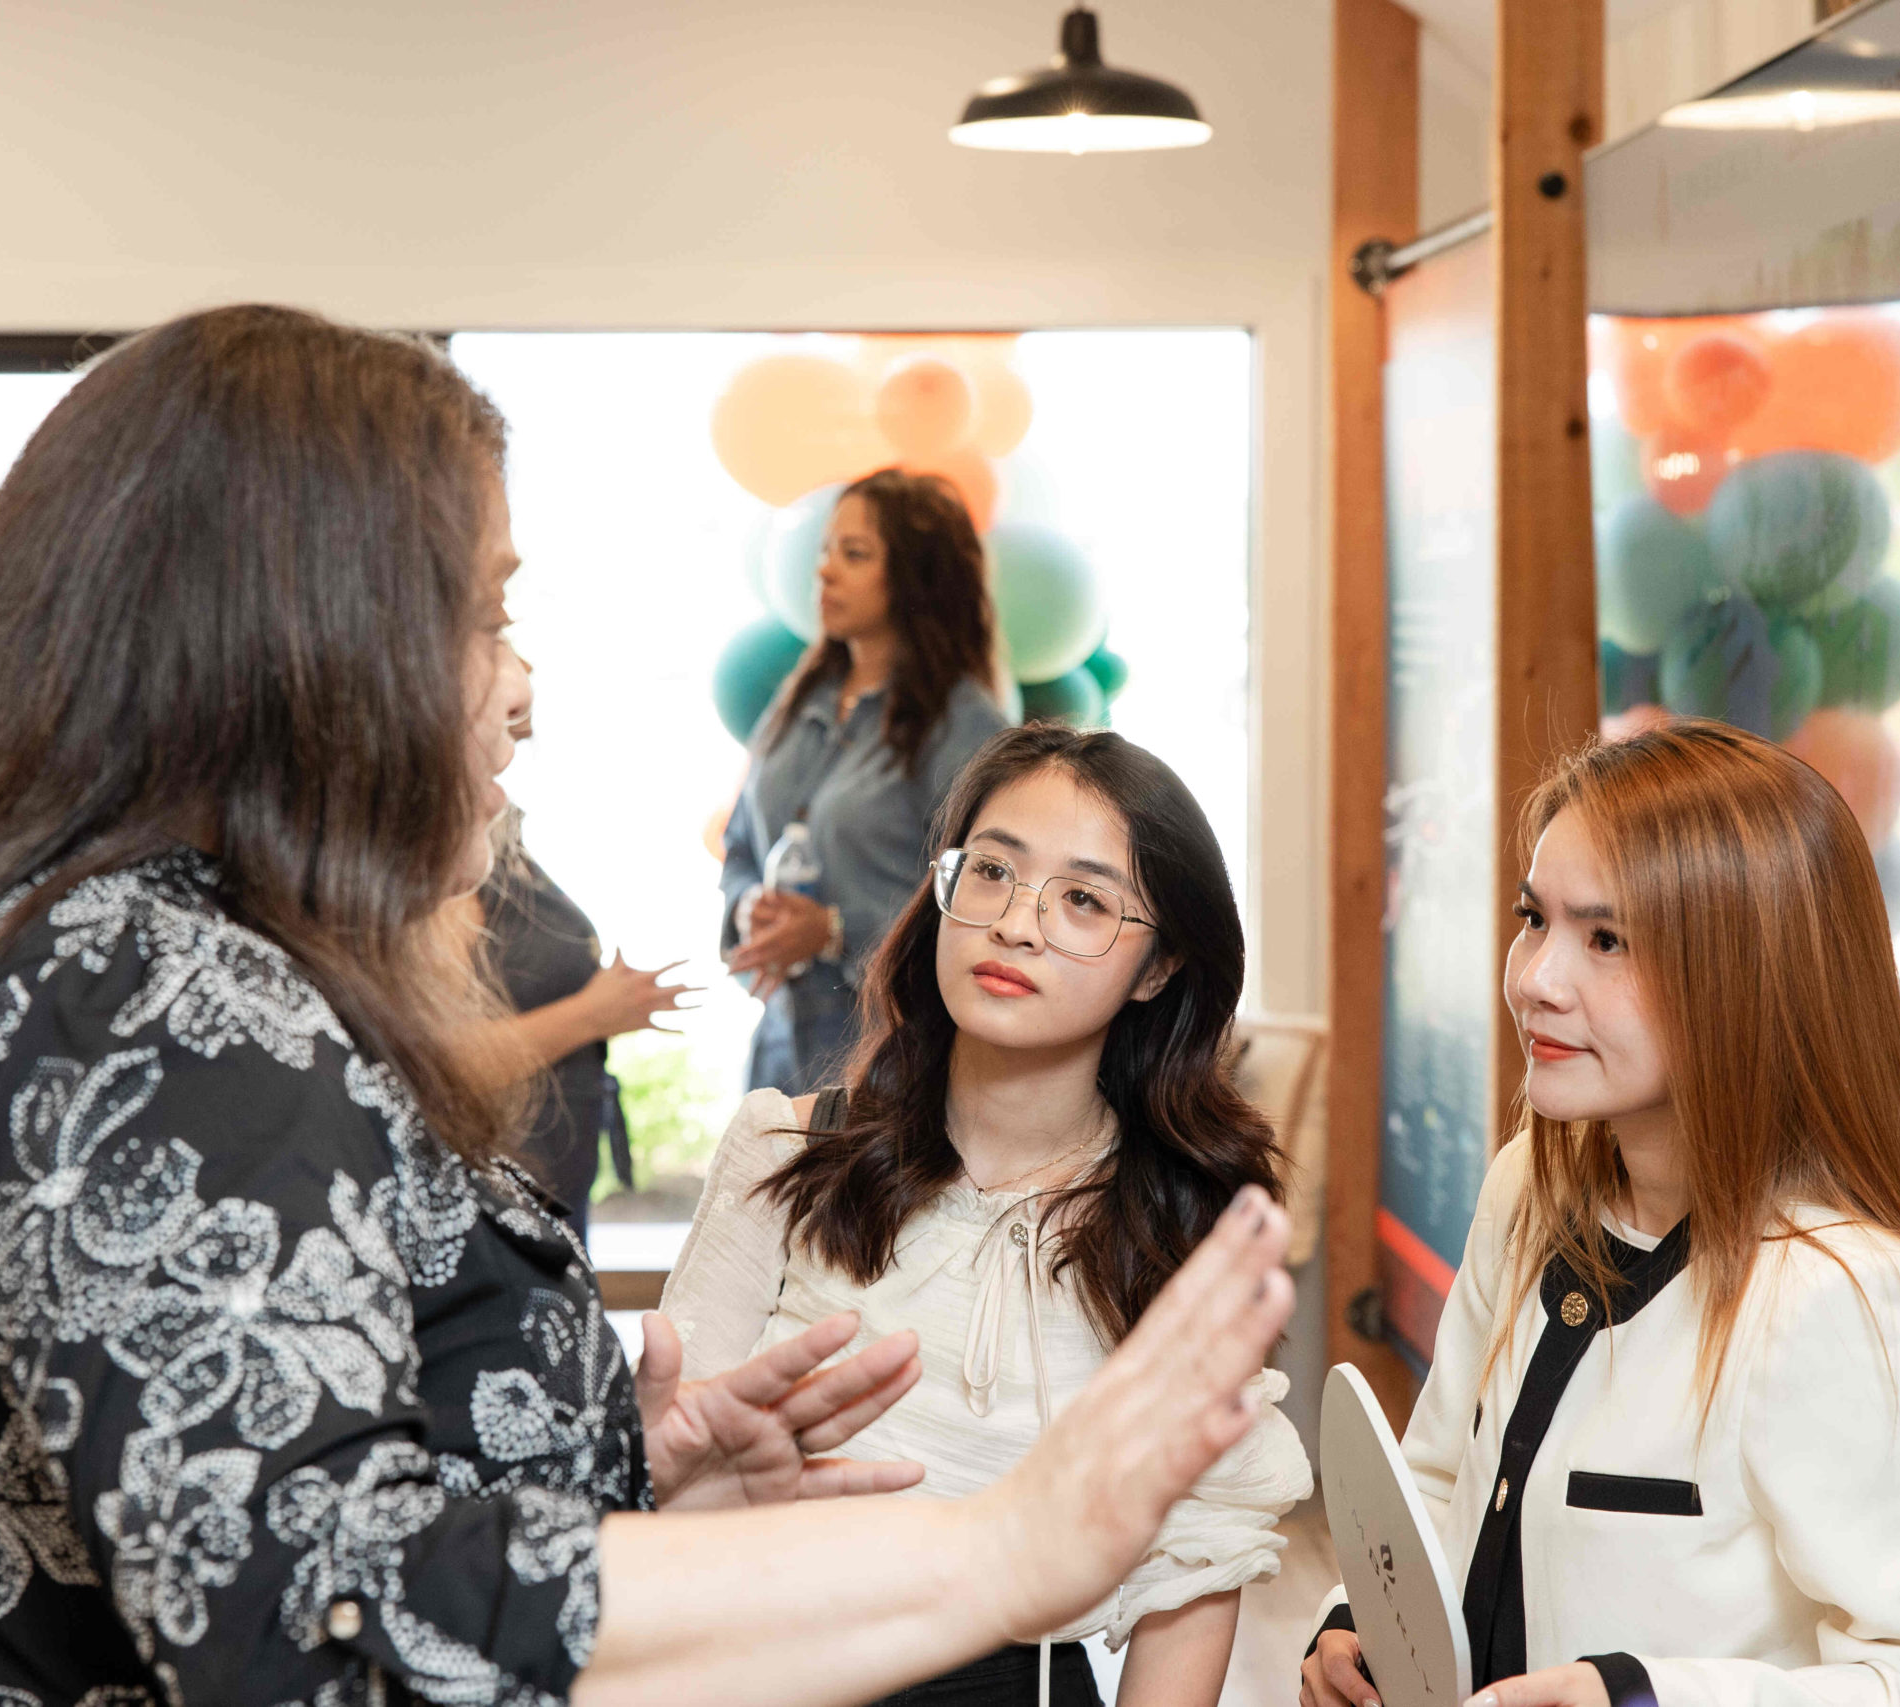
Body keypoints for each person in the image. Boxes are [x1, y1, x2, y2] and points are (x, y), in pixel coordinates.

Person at [0, 305, 1302, 1707]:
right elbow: (315, 1614)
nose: (524, 683)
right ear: (306, 643)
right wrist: (993, 1553)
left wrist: (634, 1462)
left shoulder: (162, 970)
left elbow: (328, 1446)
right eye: (487, 613)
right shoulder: (145, 1008)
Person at [1300, 720, 1900, 1707]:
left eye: (1605, 939)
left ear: (1746, 977)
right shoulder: (1528, 1189)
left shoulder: (1845, 1298)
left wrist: (1635, 1698)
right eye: (1532, 919)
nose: (1536, 980)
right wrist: (1353, 1622)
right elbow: (1437, 1483)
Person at [669, 723, 1314, 1707]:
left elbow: (1193, 1572)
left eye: (1084, 900)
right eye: (993, 873)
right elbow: (670, 1470)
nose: (1017, 924)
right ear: (943, 889)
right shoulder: (785, 1150)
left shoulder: (1175, 1231)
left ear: (1156, 969)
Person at [721, 468, 1013, 1095]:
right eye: (826, 550)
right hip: (781, 1046)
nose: (824, 571)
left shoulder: (962, 727)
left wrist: (834, 929)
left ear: (915, 578)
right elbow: (740, 842)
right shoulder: (800, 701)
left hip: (890, 1063)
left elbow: (983, 902)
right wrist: (748, 907)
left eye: (853, 554)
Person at [473, 660, 700, 1243]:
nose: (520, 667)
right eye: (496, 636)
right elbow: (449, 1061)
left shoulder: (500, 836)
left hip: (551, 1176)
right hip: (502, 1189)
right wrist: (594, 1013)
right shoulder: (450, 865)